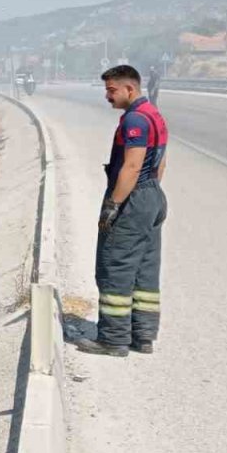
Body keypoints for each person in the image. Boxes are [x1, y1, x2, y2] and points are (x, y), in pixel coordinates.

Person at [76, 65, 169, 357]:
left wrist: (114, 205)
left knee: (115, 265)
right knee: (144, 269)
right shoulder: (154, 115)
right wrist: (148, 197)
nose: (107, 96)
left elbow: (132, 166)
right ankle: (143, 336)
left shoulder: (135, 121)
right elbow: (160, 163)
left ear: (130, 88)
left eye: (112, 90)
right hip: (152, 195)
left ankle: (113, 340)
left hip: (133, 198)